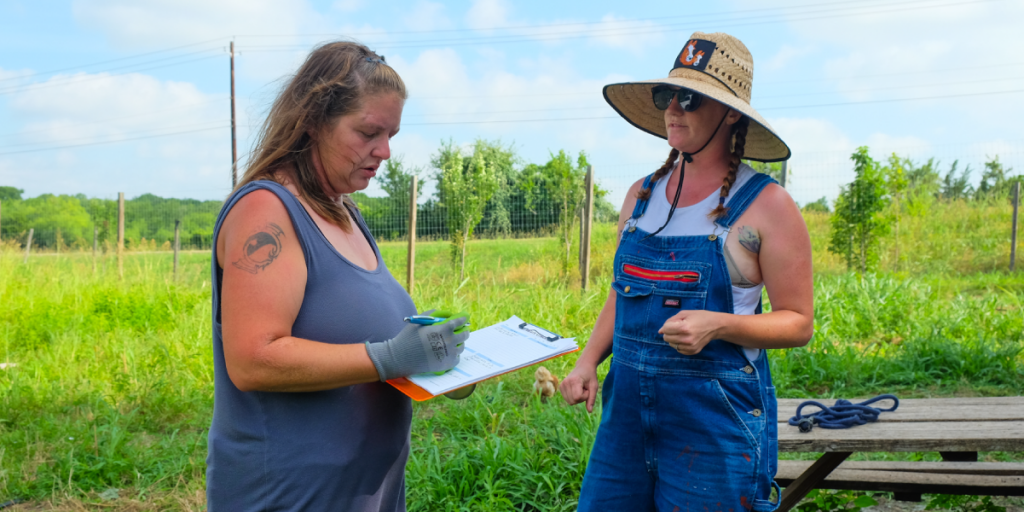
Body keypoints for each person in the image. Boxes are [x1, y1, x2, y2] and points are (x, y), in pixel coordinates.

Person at [206, 42, 468, 512]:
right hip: (288, 493)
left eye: (391, 134)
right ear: (312, 122)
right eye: (368, 132)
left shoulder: (345, 211)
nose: (384, 151)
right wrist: (391, 355)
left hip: (363, 490)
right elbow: (252, 360)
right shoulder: (266, 211)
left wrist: (435, 357)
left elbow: (352, 338)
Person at [560, 32, 814, 511]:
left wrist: (720, 325)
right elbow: (622, 295)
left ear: (731, 112)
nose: (674, 108)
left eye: (691, 99)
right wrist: (588, 361)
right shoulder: (639, 196)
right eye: (666, 95)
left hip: (714, 421)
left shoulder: (767, 206)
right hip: (626, 419)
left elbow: (798, 322)